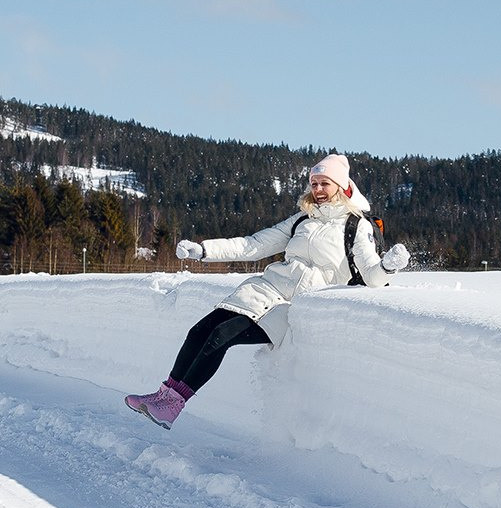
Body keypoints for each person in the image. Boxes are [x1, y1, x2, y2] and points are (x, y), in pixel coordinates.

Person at [126, 153, 409, 430]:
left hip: (296, 305)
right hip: (268, 288)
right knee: (199, 331)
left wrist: (388, 267)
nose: (319, 190)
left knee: (219, 337)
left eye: (325, 183)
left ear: (341, 185)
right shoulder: (302, 219)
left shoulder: (356, 225)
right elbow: (254, 244)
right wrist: (204, 250)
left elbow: (372, 274)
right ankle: (163, 395)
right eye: (314, 183)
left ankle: (174, 405)